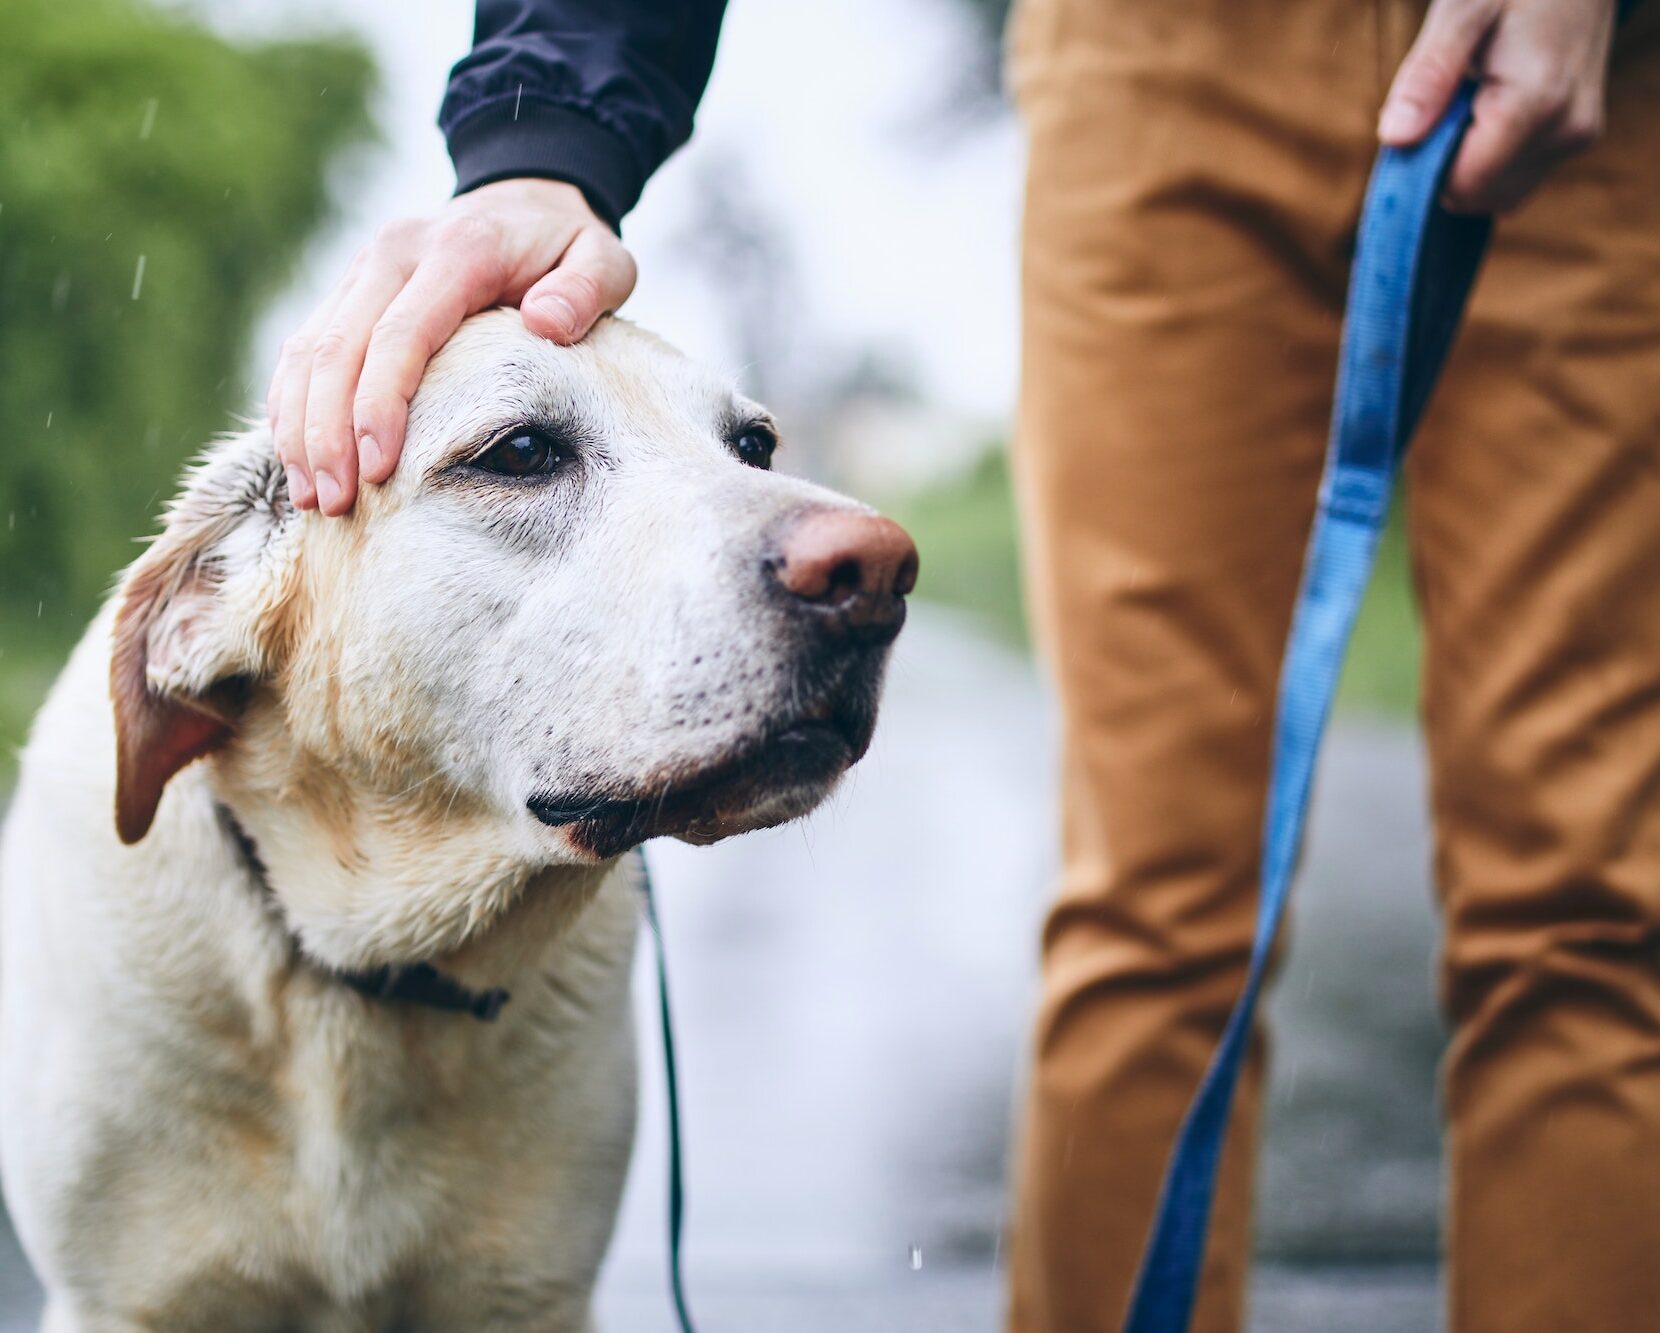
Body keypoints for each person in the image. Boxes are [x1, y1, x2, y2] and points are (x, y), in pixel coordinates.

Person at [269, 2, 1660, 1331]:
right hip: (1158, 61)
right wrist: (552, 128)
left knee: (1582, 906)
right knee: (1159, 896)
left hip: (1594, 75)